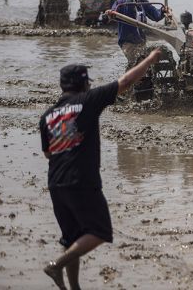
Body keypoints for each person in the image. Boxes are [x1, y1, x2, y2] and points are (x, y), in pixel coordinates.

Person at [39, 49, 162, 290]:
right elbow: (125, 82)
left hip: (55, 183)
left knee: (72, 238)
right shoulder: (88, 100)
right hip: (81, 180)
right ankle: (57, 264)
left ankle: (73, 288)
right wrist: (150, 59)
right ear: (83, 84)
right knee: (99, 230)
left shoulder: (47, 116)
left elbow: (47, 153)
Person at [106, 0, 170, 66]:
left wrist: (163, 11)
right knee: (137, 63)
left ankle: (134, 78)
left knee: (144, 64)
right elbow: (113, 14)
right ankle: (129, 79)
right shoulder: (121, 3)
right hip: (127, 42)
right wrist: (111, 14)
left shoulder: (142, 2)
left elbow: (156, 15)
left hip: (141, 41)